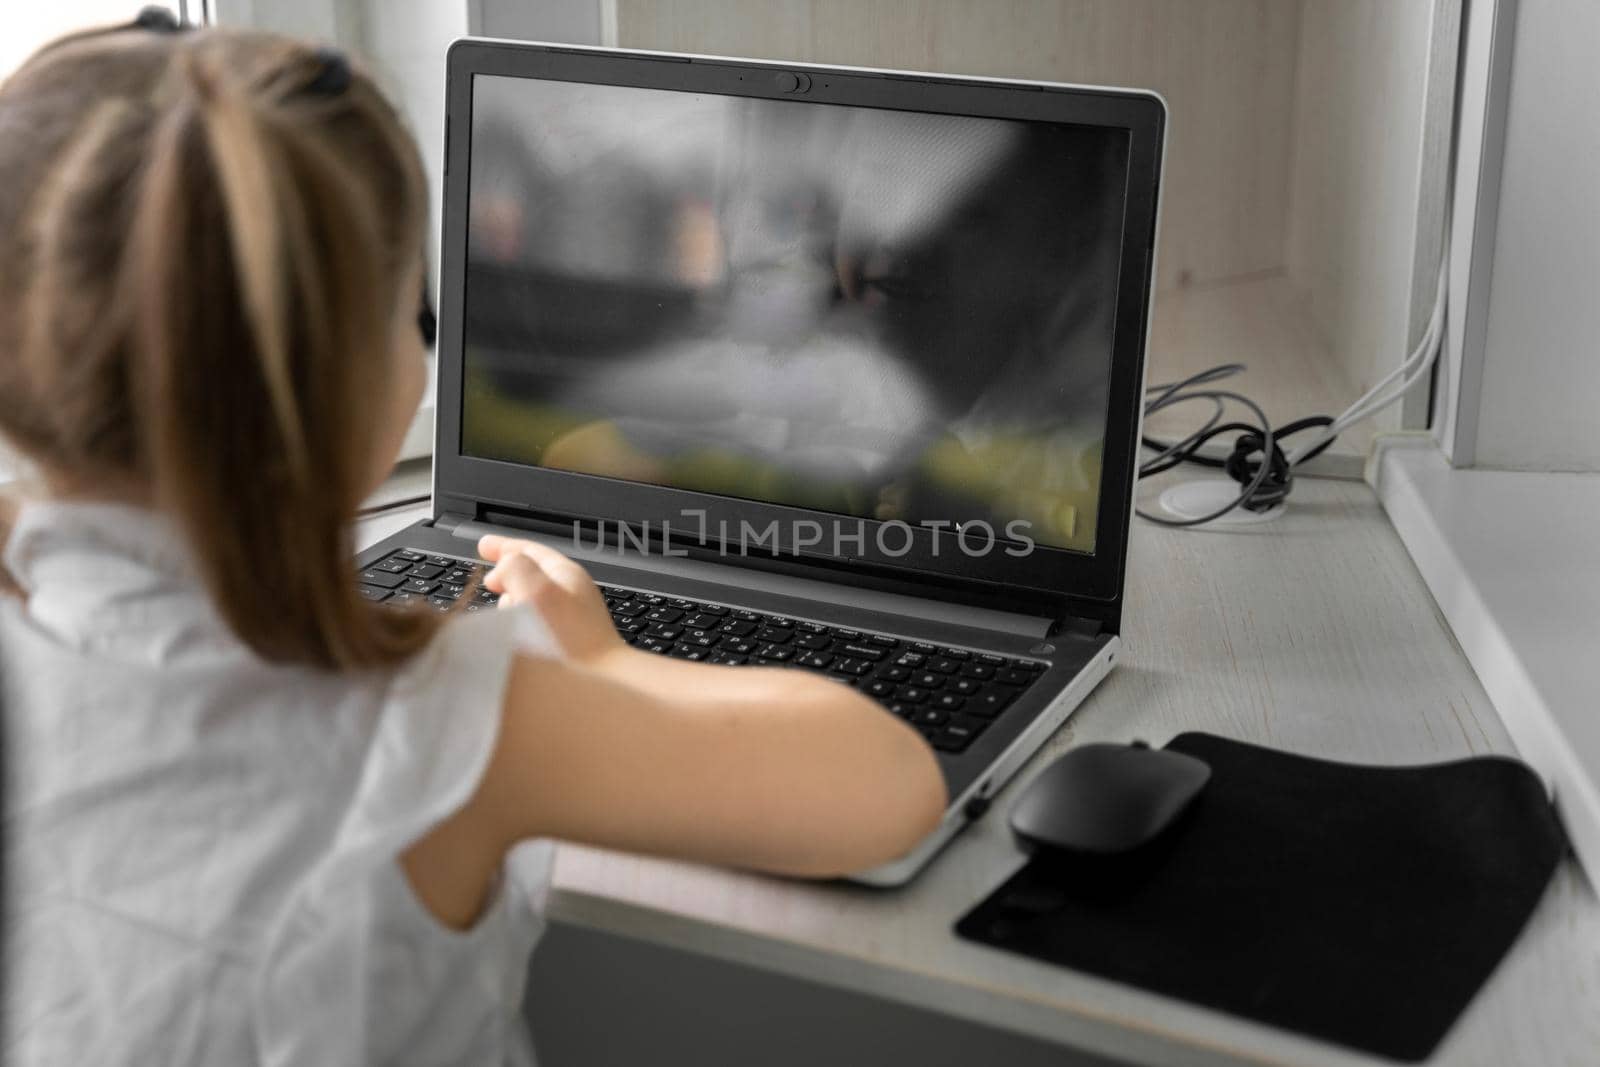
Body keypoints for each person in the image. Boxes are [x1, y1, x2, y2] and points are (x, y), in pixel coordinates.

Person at [0, 21, 945, 1065]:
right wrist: (602, 663)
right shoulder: (434, 714)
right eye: (414, 313)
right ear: (348, 388)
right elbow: (886, 780)